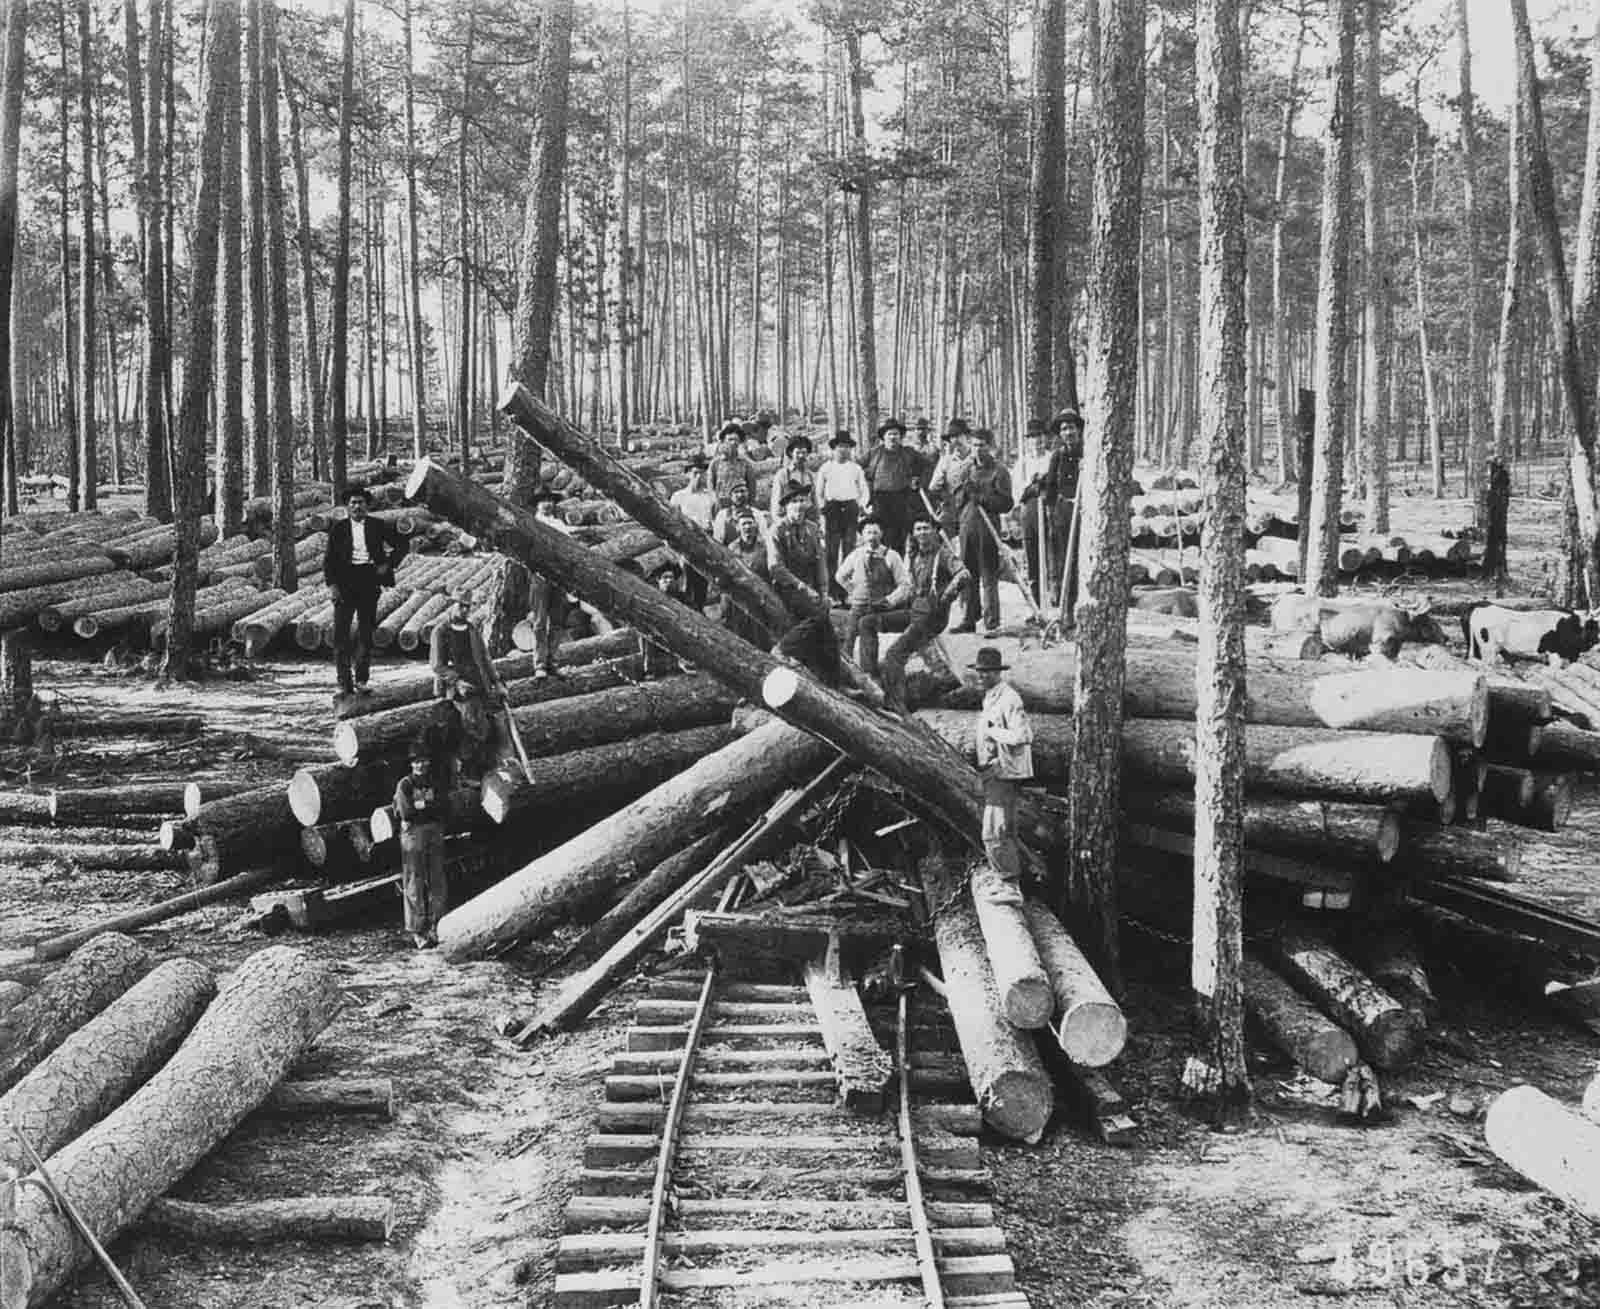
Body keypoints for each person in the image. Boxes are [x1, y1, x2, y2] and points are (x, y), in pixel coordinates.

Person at [881, 511, 970, 709]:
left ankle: (897, 706)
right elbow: (911, 588)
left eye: (926, 528)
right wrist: (887, 603)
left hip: (931, 617)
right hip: (916, 612)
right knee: (868, 621)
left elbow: (964, 574)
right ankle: (872, 680)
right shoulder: (915, 556)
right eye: (918, 529)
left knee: (894, 655)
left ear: (935, 531)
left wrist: (946, 597)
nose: (922, 533)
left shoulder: (943, 554)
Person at [324, 485, 404, 695]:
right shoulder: (338, 529)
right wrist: (332, 586)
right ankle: (343, 683)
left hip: (369, 579)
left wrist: (387, 564)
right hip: (344, 582)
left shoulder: (378, 525)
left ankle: (361, 680)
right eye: (353, 503)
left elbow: (402, 543)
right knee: (341, 634)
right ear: (347, 507)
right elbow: (329, 561)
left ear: (367, 505)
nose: (357, 506)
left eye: (361, 502)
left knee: (366, 633)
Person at [971, 645, 1033, 906]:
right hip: (993, 770)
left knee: (995, 829)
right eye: (980, 671)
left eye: (987, 672)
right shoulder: (991, 696)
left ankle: (1011, 886)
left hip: (1005, 772)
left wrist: (993, 732)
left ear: (998, 672)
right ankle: (1003, 880)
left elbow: (1023, 736)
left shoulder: (1010, 699)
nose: (982, 676)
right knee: (1002, 827)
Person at [429, 588, 509, 782]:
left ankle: (491, 768)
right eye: (461, 606)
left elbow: (485, 658)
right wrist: (456, 681)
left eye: (468, 607)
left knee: (491, 725)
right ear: (452, 605)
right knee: (470, 728)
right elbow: (437, 665)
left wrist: (497, 682)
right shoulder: (441, 631)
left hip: (479, 683)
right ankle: (468, 774)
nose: (465, 610)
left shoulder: (472, 629)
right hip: (456, 690)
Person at [950, 429, 1014, 635]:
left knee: (988, 575)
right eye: (975, 445)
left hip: (988, 529)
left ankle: (991, 622)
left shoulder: (999, 471)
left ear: (990, 447)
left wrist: (982, 496)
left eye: (982, 445)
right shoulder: (966, 469)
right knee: (968, 575)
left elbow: (1006, 503)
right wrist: (964, 492)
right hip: (967, 526)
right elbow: (957, 501)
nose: (978, 449)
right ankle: (969, 619)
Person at [835, 513, 911, 679]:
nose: (871, 537)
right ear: (862, 535)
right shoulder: (856, 555)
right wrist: (852, 591)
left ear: (881, 534)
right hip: (858, 606)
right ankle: (845, 678)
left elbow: (905, 585)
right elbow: (840, 576)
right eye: (868, 533)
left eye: (875, 533)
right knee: (848, 640)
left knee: (868, 639)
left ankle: (870, 675)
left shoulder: (891, 556)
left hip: (879, 607)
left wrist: (889, 601)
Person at [394, 742, 448, 948]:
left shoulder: (435, 781)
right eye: (416, 762)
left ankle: (438, 925)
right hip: (413, 835)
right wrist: (428, 807)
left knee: (437, 878)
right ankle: (418, 931)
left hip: (434, 831)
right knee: (414, 881)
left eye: (424, 761)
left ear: (429, 762)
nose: (421, 765)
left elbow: (443, 805)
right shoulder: (405, 785)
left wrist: (423, 807)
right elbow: (406, 812)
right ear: (411, 764)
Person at [815, 430, 870, 600]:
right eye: (840, 446)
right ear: (834, 448)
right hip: (832, 509)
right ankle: (833, 591)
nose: (843, 450)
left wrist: (860, 505)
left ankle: (847, 590)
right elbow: (818, 492)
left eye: (847, 447)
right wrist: (823, 507)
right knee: (831, 551)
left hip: (850, 509)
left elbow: (864, 490)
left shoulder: (855, 468)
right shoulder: (826, 468)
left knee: (849, 549)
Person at [526, 490, 574, 676]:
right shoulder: (532, 524)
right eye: (543, 501)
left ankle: (552, 660)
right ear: (537, 504)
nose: (547, 504)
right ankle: (539, 664)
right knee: (539, 622)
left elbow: (570, 549)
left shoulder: (559, 524)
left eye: (550, 501)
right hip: (540, 576)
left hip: (558, 577)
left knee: (558, 621)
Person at [1046, 406, 1085, 614]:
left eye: (1071, 428)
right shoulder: (1057, 456)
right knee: (1063, 561)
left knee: (1081, 561)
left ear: (1078, 430)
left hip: (1084, 515)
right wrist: (1051, 514)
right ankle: (1066, 609)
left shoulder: (1088, 455)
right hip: (1062, 514)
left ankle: (1083, 606)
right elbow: (1051, 487)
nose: (1068, 433)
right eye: (1063, 429)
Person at [864, 418, 922, 554]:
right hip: (880, 501)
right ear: (884, 437)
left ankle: (898, 569)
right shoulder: (874, 454)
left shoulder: (909, 453)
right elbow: (856, 468)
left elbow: (927, 466)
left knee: (899, 538)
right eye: (889, 434)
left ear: (901, 437)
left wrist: (918, 479)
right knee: (880, 536)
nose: (893, 437)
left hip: (902, 500)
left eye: (896, 434)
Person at [668, 454, 717, 610]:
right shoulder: (678, 497)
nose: (698, 476)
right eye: (695, 473)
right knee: (687, 585)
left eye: (702, 473)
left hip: (705, 544)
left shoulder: (710, 497)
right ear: (688, 474)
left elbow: (715, 522)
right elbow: (671, 524)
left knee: (702, 585)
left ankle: (701, 611)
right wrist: (676, 549)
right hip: (686, 545)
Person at [769, 486, 829, 611]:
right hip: (788, 588)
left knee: (824, 608)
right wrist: (801, 587)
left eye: (802, 500)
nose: (799, 505)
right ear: (786, 506)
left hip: (811, 586)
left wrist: (824, 591)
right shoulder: (777, 530)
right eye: (794, 501)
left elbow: (820, 561)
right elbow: (776, 567)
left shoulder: (812, 528)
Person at [1015, 418, 1054, 607]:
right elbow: (1017, 492)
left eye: (1039, 437)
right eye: (1032, 438)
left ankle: (1052, 599)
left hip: (1048, 510)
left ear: (1045, 438)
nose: (1036, 442)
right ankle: (1035, 604)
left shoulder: (1051, 458)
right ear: (1027, 441)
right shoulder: (1023, 463)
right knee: (1031, 557)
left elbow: (1056, 484)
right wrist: (1030, 486)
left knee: (1050, 554)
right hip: (1029, 510)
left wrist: (1044, 484)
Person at [721, 509, 773, 647]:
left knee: (761, 639)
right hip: (740, 600)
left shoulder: (765, 548)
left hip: (760, 599)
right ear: (738, 527)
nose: (747, 527)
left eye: (750, 523)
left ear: (756, 525)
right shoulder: (732, 548)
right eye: (743, 524)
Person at [926, 421, 972, 534]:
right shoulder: (946, 460)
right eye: (952, 437)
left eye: (959, 436)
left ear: (966, 436)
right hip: (952, 510)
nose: (956, 440)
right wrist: (946, 496)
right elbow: (933, 486)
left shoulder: (976, 458)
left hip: (973, 508)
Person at [708, 423, 758, 507]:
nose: (733, 443)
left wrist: (750, 505)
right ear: (723, 441)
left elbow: (752, 487)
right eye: (730, 439)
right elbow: (710, 485)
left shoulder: (745, 463)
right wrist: (714, 501)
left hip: (741, 504)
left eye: (736, 440)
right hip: (721, 504)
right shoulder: (715, 463)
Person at [768, 435, 816, 520]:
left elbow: (815, 501)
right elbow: (776, 504)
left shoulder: (810, 475)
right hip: (787, 520)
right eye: (798, 453)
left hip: (807, 520)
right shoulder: (782, 475)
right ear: (791, 453)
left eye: (804, 452)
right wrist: (779, 522)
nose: (801, 456)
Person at [711, 480, 770, 546]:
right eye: (736, 492)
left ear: (747, 493)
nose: (740, 495)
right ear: (731, 496)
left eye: (742, 491)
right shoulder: (722, 515)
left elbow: (764, 539)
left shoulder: (757, 514)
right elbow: (718, 541)